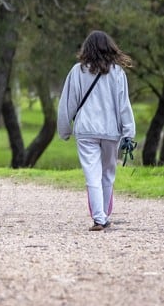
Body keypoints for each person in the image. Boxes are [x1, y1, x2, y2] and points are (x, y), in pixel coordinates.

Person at [56, 30, 136, 231]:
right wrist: (129, 132)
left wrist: (65, 130)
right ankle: (102, 215)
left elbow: (67, 103)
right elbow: (124, 105)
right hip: (111, 131)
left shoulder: (77, 71)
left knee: (92, 175)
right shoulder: (118, 73)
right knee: (108, 173)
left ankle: (100, 218)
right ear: (110, 48)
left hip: (86, 131)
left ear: (87, 48)